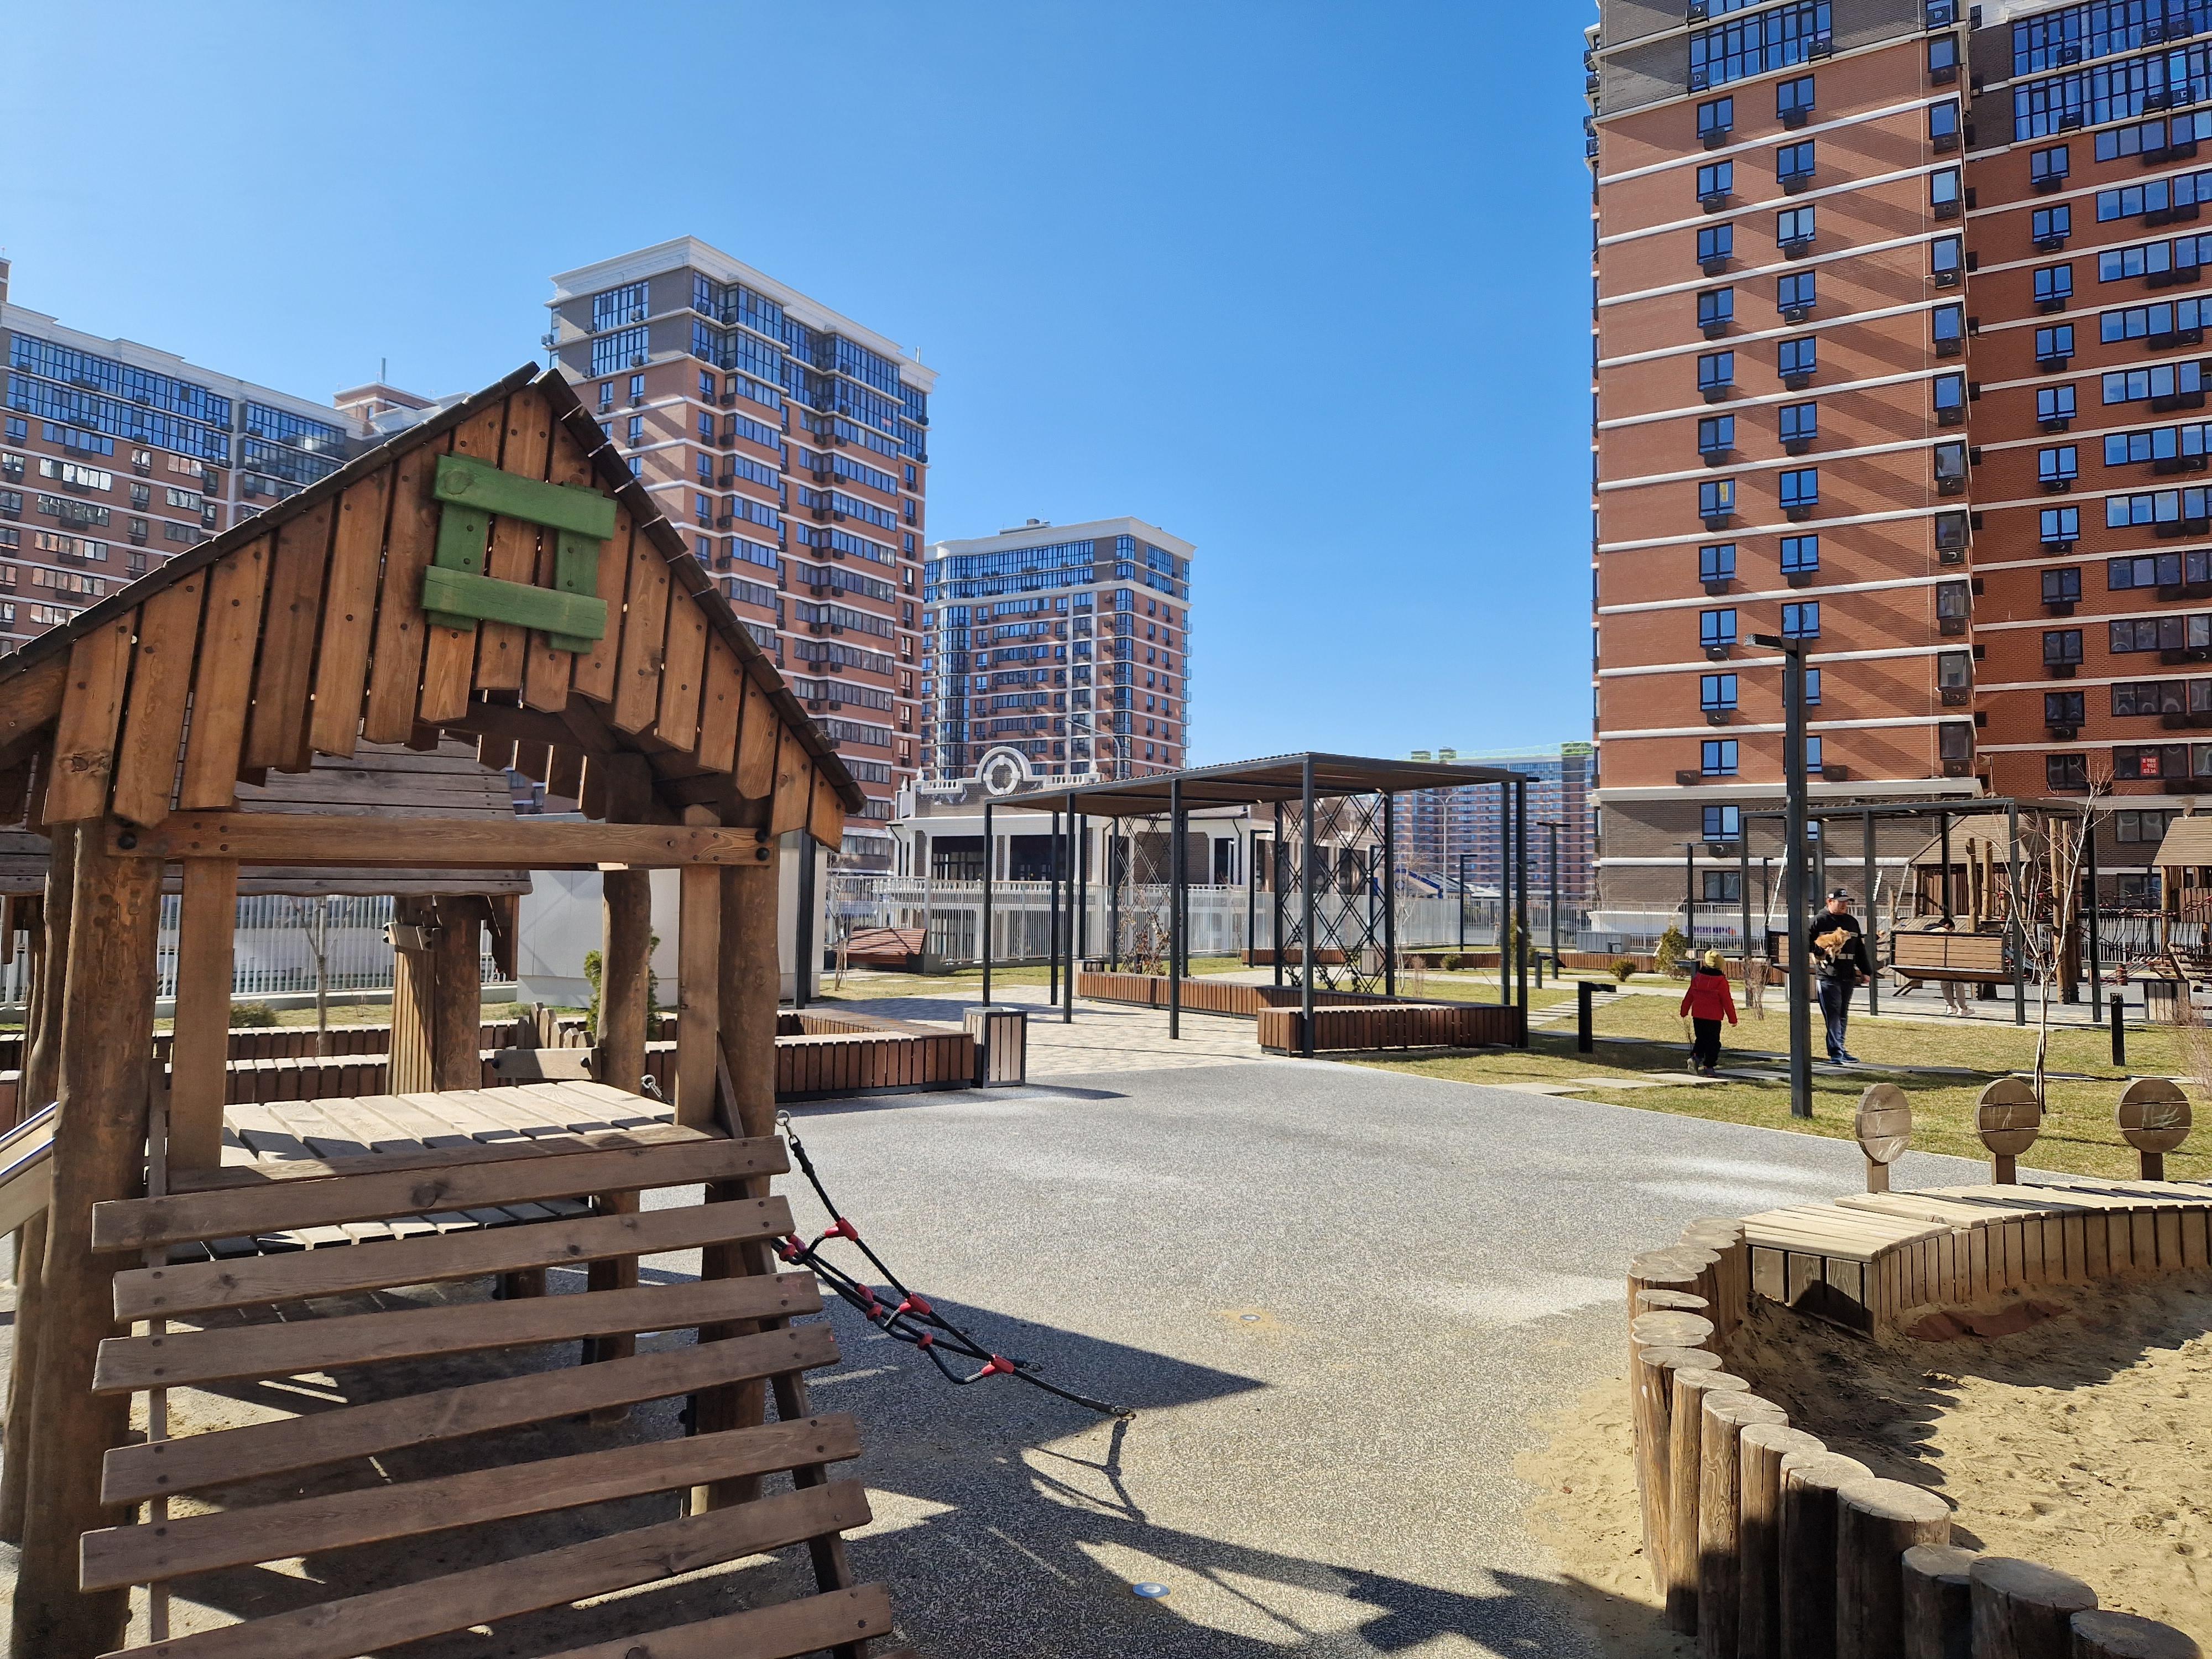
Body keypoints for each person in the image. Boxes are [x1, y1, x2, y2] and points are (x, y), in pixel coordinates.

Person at [1807, 887, 1874, 1064]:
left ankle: (1841, 1049)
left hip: (1847, 974)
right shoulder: (1818, 921)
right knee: (1833, 1014)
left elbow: (1859, 948)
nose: (1844, 905)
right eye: (1840, 902)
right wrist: (1818, 950)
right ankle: (1836, 1052)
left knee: (1843, 1013)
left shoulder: (1851, 922)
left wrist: (1866, 971)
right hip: (1828, 975)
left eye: (1846, 902)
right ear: (1830, 902)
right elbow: (1804, 941)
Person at [1678, 947, 1738, 1076]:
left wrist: (1684, 1011)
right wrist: (1733, 1019)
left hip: (1698, 1016)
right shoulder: (1721, 982)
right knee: (1713, 1043)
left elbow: (1689, 995)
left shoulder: (1697, 979)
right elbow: (1727, 1001)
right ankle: (1709, 1067)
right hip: (1714, 1018)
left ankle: (1696, 1057)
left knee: (1701, 1039)